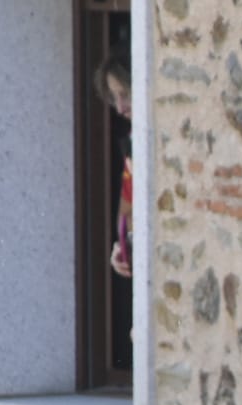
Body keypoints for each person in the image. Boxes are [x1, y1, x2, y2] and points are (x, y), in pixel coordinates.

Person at [93, 56, 133, 278]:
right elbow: (126, 217)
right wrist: (123, 249)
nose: (119, 108)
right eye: (114, 98)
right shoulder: (132, 143)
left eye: (125, 94)